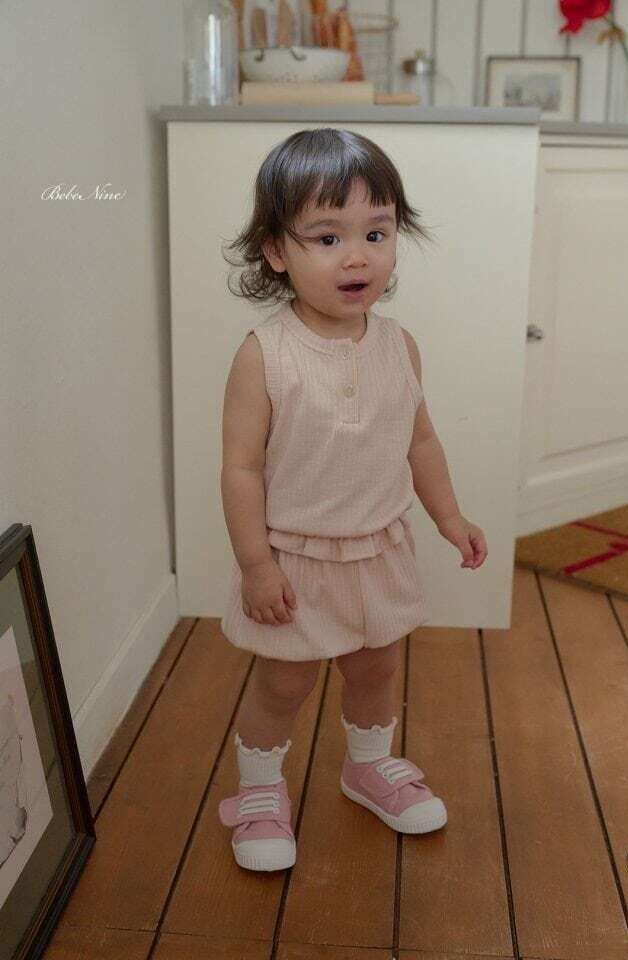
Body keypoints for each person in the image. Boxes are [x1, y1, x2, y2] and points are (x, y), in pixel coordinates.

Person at [217, 128, 488, 873]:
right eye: (328, 237)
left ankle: (367, 767)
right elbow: (240, 470)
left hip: (379, 548)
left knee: (376, 670)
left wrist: (450, 518)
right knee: (284, 681)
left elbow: (420, 441)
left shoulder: (399, 346)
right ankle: (260, 788)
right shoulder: (265, 355)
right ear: (276, 251)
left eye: (376, 232)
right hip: (295, 560)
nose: (358, 256)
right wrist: (256, 566)